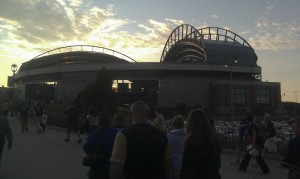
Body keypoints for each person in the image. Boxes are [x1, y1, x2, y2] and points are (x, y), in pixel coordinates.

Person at [110, 101, 174, 179]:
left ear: (130, 114)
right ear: (148, 114)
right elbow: (169, 165)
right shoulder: (162, 135)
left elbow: (116, 169)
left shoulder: (123, 135)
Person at [180, 108, 221, 179]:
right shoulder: (214, 140)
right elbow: (217, 163)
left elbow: (188, 168)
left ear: (191, 123)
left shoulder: (191, 142)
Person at [83, 111, 118, 179]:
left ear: (99, 122)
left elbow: (87, 148)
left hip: (97, 167)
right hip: (111, 167)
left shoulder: (96, 134)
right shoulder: (116, 133)